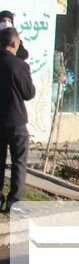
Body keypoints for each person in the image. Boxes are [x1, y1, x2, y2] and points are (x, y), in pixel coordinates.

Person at [1, 27, 36, 214]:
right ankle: (14, 203)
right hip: (15, 121)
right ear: (15, 43)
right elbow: (29, 93)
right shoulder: (19, 65)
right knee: (19, 162)